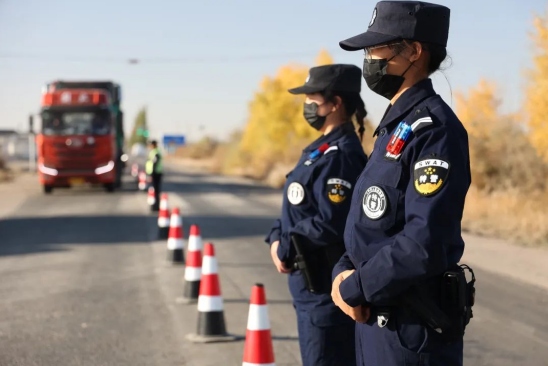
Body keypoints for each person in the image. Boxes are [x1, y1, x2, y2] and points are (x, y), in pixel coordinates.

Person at [330, 2, 472, 366]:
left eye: (377, 48)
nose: (369, 59)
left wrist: (354, 287)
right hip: (375, 321)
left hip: (409, 333)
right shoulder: (397, 128)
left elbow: (424, 241)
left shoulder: (435, 130)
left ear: (413, 51)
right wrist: (342, 271)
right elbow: (369, 224)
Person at [265, 64, 368, 366]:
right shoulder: (319, 150)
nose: (307, 106)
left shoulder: (342, 156)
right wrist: (275, 237)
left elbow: (331, 221)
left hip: (323, 288)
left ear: (335, 103)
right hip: (308, 289)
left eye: (313, 100)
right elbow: (297, 207)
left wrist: (285, 244)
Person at [146, 140, 163, 211]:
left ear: (153, 145)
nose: (149, 146)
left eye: (151, 145)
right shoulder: (154, 152)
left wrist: (151, 175)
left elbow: (154, 164)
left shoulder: (156, 153)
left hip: (155, 174)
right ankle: (155, 205)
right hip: (155, 173)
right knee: (155, 190)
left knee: (156, 190)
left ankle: (156, 206)